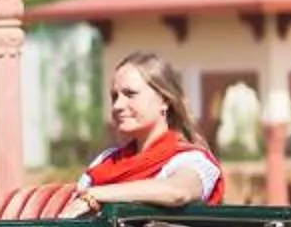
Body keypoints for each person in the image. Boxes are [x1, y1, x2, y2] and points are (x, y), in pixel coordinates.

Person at [72, 50, 224, 208]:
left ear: (164, 100)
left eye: (130, 94)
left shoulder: (191, 160)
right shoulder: (105, 160)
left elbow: (178, 192)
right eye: (114, 96)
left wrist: (96, 194)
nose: (117, 106)